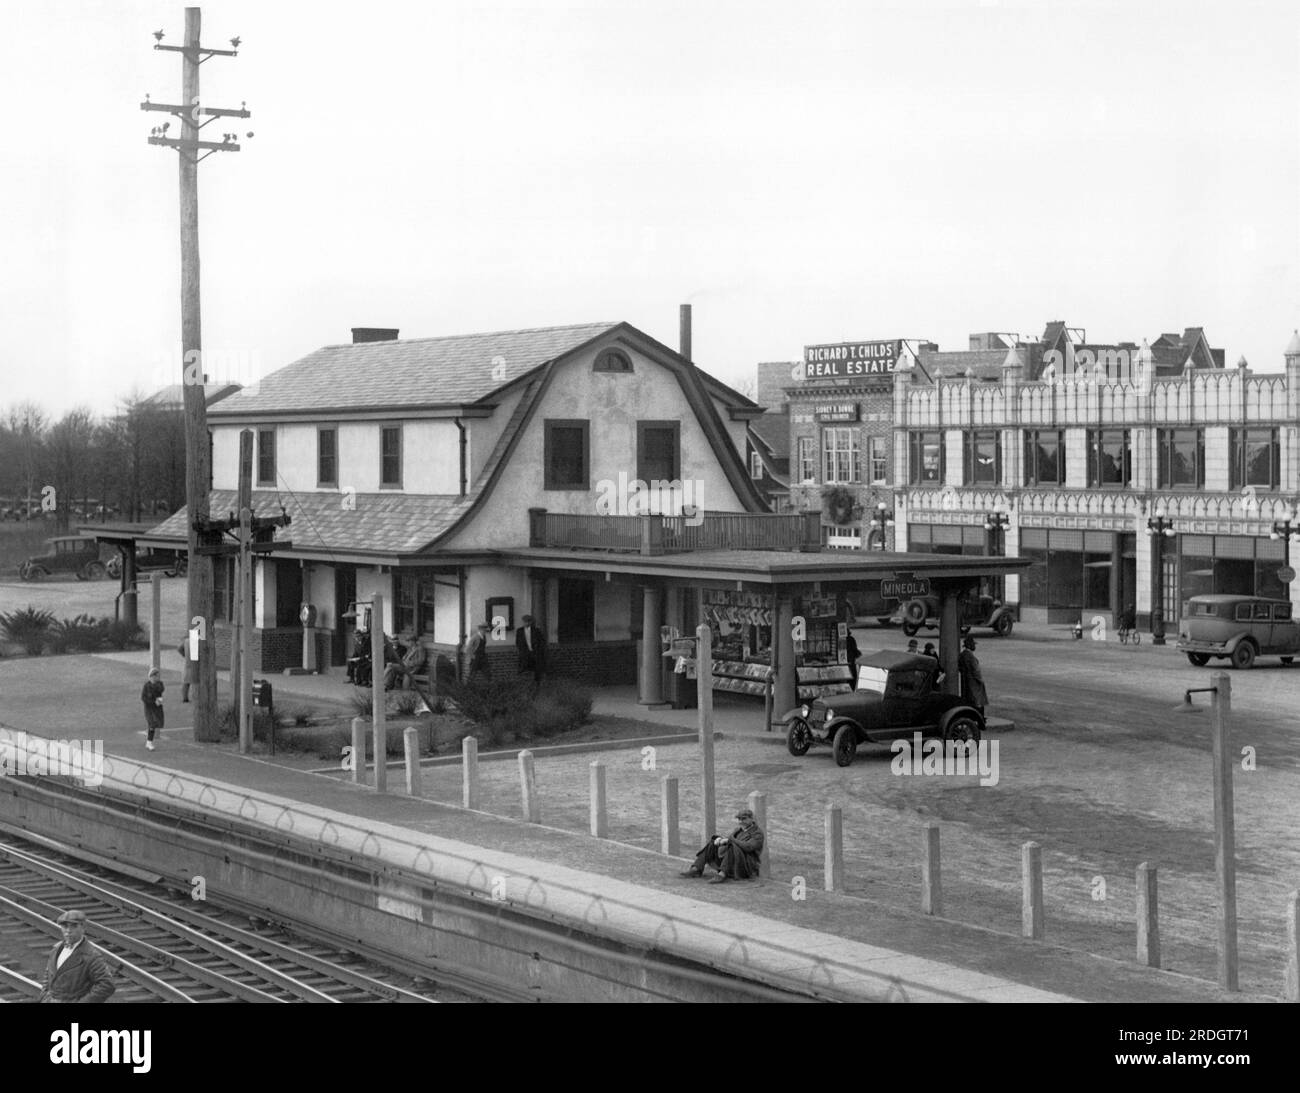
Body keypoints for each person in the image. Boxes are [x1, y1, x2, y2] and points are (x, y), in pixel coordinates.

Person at [39, 909, 115, 1003]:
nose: (68, 931)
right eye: (64, 926)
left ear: (83, 928)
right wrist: (44, 997)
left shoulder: (91, 955)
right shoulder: (56, 950)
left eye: (74, 926)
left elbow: (107, 985)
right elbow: (48, 976)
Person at [681, 807, 765, 884]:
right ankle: (696, 869)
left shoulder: (757, 833)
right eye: (739, 819)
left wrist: (730, 840)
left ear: (751, 819)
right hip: (733, 861)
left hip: (746, 865)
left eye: (744, 819)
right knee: (713, 842)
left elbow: (748, 847)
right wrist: (720, 840)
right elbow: (729, 840)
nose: (740, 821)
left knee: (732, 845)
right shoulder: (738, 830)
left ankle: (722, 874)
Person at [958, 636, 988, 716]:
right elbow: (975, 670)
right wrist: (980, 680)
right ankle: (980, 717)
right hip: (974, 682)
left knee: (969, 699)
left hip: (966, 680)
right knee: (978, 701)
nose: (974, 646)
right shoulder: (970, 656)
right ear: (970, 645)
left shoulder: (962, 655)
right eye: (973, 644)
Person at [515, 614, 547, 684]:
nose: (525, 623)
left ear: (530, 622)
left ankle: (537, 682)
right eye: (524, 622)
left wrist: (539, 650)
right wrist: (522, 651)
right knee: (525, 668)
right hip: (525, 653)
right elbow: (518, 642)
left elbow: (542, 641)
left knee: (536, 668)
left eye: (527, 622)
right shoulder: (519, 631)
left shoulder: (536, 630)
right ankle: (526, 682)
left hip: (535, 652)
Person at [141, 666, 164, 751]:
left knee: (155, 724)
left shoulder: (159, 684)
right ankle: (149, 742)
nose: (157, 678)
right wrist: (152, 701)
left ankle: (149, 742)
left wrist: (158, 700)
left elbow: (161, 690)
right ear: (152, 676)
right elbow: (143, 698)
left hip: (157, 708)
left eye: (158, 676)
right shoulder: (146, 686)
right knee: (152, 724)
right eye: (156, 676)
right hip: (149, 708)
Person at [176, 638, 196, 702]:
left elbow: (179, 649)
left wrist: (185, 655)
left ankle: (185, 698)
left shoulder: (187, 640)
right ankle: (195, 696)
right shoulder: (198, 640)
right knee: (195, 681)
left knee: (186, 681)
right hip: (195, 662)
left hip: (188, 662)